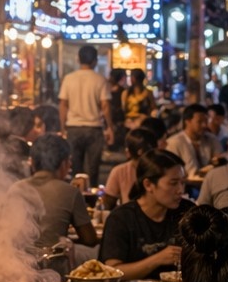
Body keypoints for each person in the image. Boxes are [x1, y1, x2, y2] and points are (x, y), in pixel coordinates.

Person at [100, 149, 193, 280]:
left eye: (183, 183)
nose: (180, 190)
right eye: (173, 183)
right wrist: (157, 259)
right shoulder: (122, 218)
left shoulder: (187, 212)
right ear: (148, 185)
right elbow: (112, 271)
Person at [16, 135, 99, 250]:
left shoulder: (16, 188)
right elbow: (90, 239)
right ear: (64, 164)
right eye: (69, 160)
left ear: (33, 163)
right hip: (52, 262)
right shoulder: (70, 192)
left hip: (15, 261)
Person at [59, 44, 112, 184]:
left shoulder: (68, 78)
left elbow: (63, 105)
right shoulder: (100, 80)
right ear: (95, 60)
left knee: (74, 169)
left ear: (78, 59)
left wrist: (63, 127)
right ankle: (91, 200)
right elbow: (105, 106)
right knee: (93, 170)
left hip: (73, 128)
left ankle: (76, 198)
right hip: (94, 128)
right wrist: (110, 128)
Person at [102, 124, 160, 211]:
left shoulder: (161, 170)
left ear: (128, 151)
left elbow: (107, 206)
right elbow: (108, 203)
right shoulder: (119, 171)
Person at [167, 104, 221, 176]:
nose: (204, 125)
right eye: (200, 122)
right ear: (187, 121)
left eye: (206, 121)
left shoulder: (212, 139)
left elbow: (219, 161)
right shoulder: (174, 142)